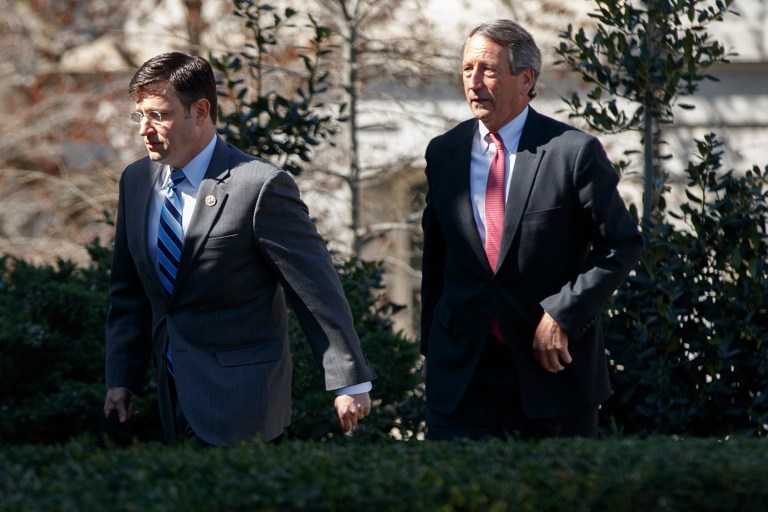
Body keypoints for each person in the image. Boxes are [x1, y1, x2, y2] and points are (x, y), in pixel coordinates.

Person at [103, 52, 375, 447]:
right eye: (139, 115)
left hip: (244, 403)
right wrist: (121, 380)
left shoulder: (259, 186)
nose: (144, 129)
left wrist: (349, 380)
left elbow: (315, 291)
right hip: (169, 400)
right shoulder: (136, 182)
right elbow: (127, 294)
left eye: (158, 115)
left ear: (200, 111)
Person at [419, 19, 643, 440]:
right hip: (463, 375)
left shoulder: (572, 153)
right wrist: (430, 347)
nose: (474, 82)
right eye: (467, 69)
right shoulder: (444, 152)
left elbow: (621, 243)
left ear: (526, 79)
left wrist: (563, 312)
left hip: (550, 373)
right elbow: (437, 257)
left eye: (487, 70)